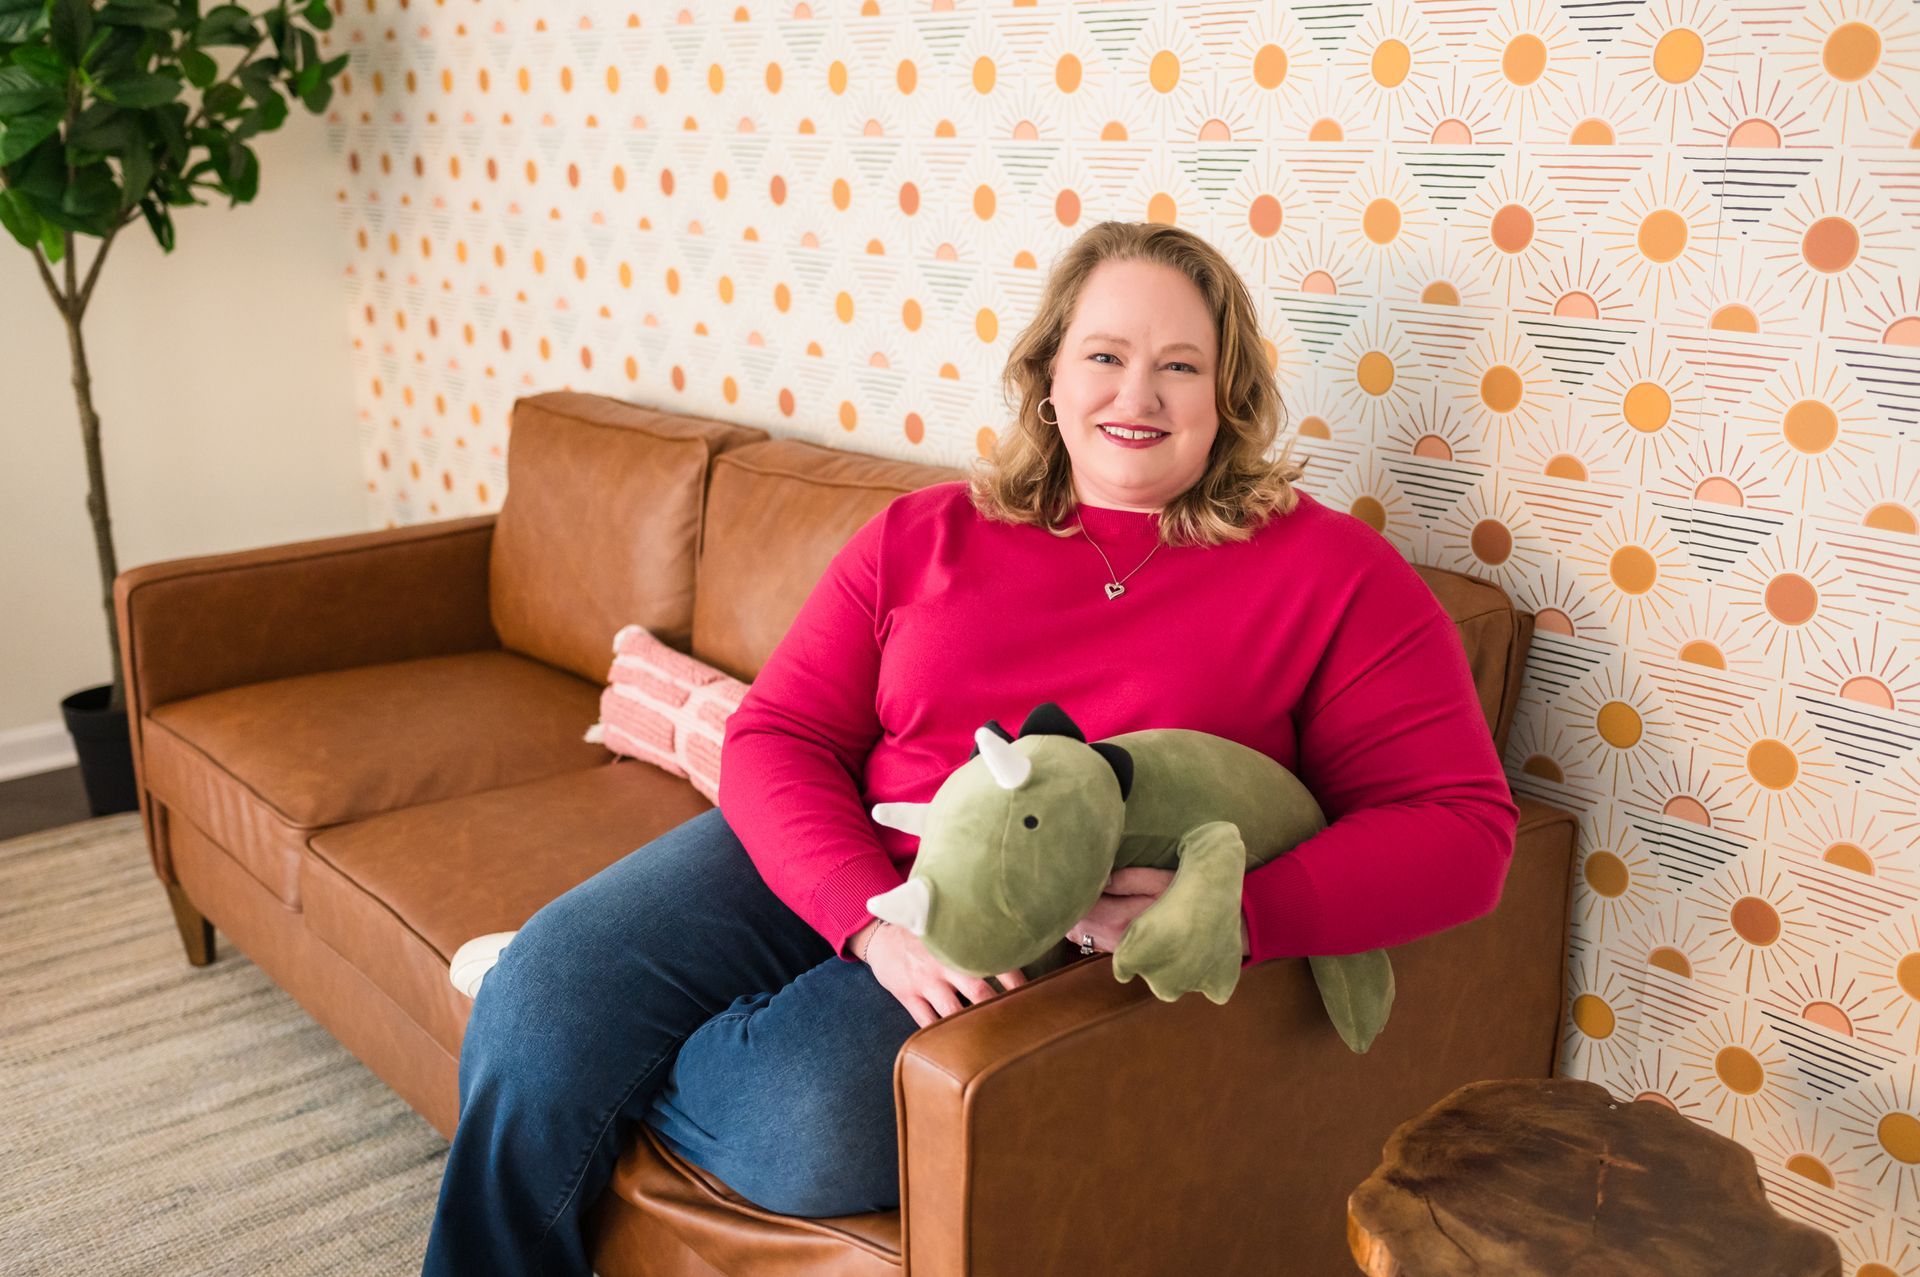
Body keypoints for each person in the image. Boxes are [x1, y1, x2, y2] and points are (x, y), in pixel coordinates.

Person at [420, 221, 1521, 1275]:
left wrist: (1236, 913)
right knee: (543, 995)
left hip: (1025, 925)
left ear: (1228, 399)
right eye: (1105, 355)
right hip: (849, 851)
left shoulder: (1334, 574)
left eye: (1180, 367)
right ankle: (563, 1052)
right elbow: (781, 733)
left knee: (793, 1120)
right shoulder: (925, 531)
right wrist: (865, 920)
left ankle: (589, 1062)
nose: (1138, 395)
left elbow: (1465, 831)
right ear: (1049, 377)